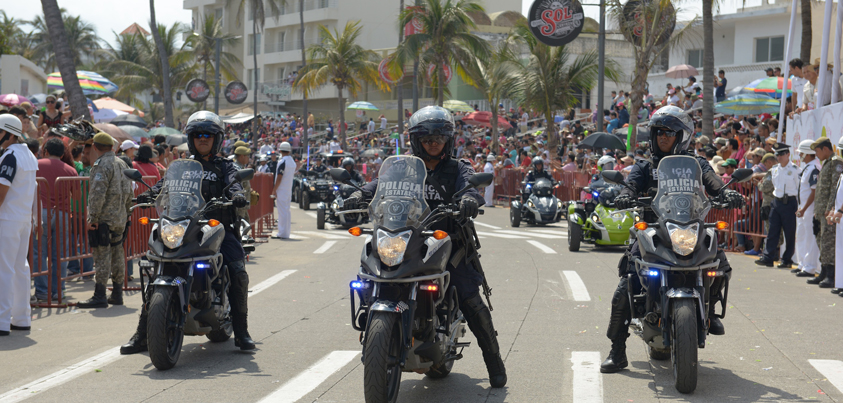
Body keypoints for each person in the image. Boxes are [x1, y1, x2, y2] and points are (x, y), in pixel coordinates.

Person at [354, 106, 507, 388]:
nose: (433, 142)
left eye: (438, 137)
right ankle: (376, 332)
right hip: (406, 237)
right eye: (426, 138)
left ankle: (495, 362)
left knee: (468, 295)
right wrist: (357, 194)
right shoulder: (402, 167)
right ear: (416, 140)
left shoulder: (458, 168)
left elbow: (470, 187)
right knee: (369, 276)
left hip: (447, 241)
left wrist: (469, 199)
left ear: (447, 139)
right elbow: (378, 186)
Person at [600, 106, 744, 373]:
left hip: (689, 226)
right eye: (658, 132)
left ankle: (710, 312)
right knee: (626, 284)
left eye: (669, 132)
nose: (662, 137)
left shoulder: (698, 164)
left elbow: (713, 183)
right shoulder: (644, 166)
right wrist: (623, 194)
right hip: (653, 230)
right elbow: (630, 185)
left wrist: (727, 194)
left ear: (682, 136)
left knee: (719, 263)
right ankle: (617, 352)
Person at [122, 111, 254, 354]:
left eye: (208, 135)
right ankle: (143, 333)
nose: (202, 139)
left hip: (216, 228)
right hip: (183, 224)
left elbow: (234, 182)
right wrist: (149, 194)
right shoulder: (179, 167)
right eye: (197, 135)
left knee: (237, 270)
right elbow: (164, 186)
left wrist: (236, 195)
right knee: (155, 266)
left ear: (217, 139)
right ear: (191, 138)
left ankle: (241, 330)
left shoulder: (224, 166)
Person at [76, 133, 133, 308]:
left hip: (104, 219)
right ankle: (117, 293)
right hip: (120, 218)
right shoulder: (122, 163)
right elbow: (130, 193)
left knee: (101, 255)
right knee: (118, 254)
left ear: (95, 147)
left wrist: (92, 217)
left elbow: (97, 194)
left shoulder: (101, 165)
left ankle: (100, 294)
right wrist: (127, 214)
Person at [0, 115, 38, 335]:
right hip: (23, 219)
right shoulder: (29, 155)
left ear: (10, 133)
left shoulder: (10, 156)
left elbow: (2, 192)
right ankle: (21, 317)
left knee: (4, 270)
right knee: (20, 269)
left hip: (8, 219)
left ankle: (2, 321)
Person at [33, 138, 78, 302]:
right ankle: (59, 290)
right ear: (62, 153)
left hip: (40, 214)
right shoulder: (71, 170)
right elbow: (78, 197)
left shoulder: (35, 165)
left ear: (45, 151)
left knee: (39, 253)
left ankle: (42, 292)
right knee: (60, 254)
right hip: (63, 214)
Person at [754, 144, 800, 267]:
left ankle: (787, 260)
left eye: (781, 154)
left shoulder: (795, 170)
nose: (779, 157)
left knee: (789, 233)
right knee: (772, 231)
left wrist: (800, 206)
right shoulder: (774, 169)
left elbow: (799, 189)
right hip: (776, 201)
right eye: (777, 154)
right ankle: (768, 257)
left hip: (789, 202)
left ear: (788, 154)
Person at [807, 137, 843, 287]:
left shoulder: (835, 162)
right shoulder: (827, 163)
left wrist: (830, 209)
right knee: (822, 241)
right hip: (822, 210)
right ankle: (824, 271)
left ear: (825, 149)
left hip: (828, 210)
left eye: (817, 151)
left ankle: (831, 274)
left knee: (828, 242)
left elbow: (834, 188)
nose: (816, 154)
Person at [794, 140, 821, 277]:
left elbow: (814, 191)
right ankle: (803, 264)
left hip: (809, 209)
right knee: (802, 236)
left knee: (810, 238)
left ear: (807, 154)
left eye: (801, 154)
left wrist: (803, 209)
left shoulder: (814, 168)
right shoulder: (809, 167)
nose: (800, 156)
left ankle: (810, 267)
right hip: (804, 208)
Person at [272, 142, 295, 239]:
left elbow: (279, 177)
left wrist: (274, 190)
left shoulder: (282, 162)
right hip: (288, 189)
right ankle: (286, 233)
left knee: (282, 212)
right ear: (289, 150)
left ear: (280, 150)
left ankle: (282, 233)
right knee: (286, 211)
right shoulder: (292, 162)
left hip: (282, 189)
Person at [233, 146, 253, 225]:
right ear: (242, 156)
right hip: (240, 206)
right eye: (247, 156)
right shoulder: (237, 169)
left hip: (243, 206)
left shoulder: (241, 167)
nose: (249, 158)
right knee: (241, 227)